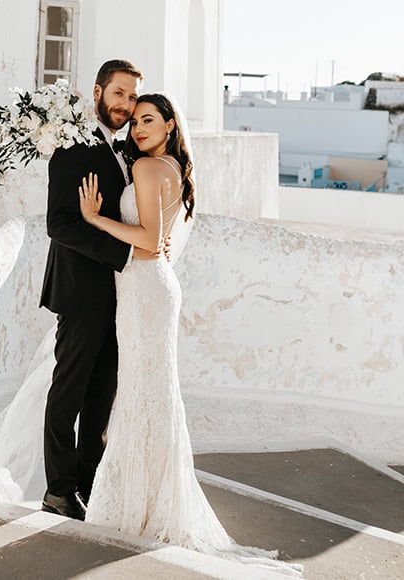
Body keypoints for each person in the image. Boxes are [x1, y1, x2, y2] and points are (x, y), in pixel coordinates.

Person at [77, 94, 301, 573]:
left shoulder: (146, 169)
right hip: (152, 292)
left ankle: (137, 505)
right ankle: (150, 500)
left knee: (141, 394)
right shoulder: (172, 167)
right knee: (151, 393)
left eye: (148, 120)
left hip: (144, 291)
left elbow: (148, 242)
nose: (138, 128)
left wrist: (96, 219)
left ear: (169, 124)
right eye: (136, 121)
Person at [40, 58, 159, 521]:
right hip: (81, 293)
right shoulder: (75, 147)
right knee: (67, 395)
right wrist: (124, 255)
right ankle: (58, 490)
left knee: (100, 399)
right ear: (98, 93)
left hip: (118, 298)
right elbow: (59, 222)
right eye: (119, 94)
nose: (126, 105)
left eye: (132, 97)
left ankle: (89, 486)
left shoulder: (124, 151)